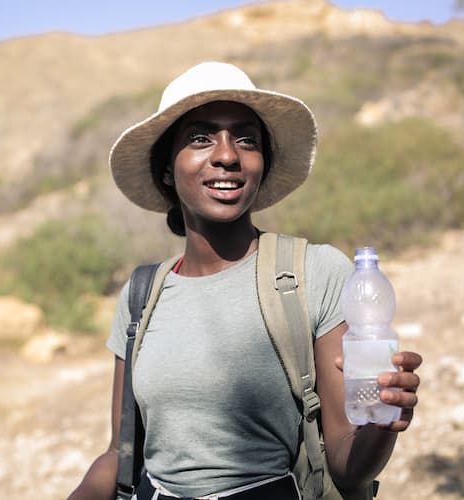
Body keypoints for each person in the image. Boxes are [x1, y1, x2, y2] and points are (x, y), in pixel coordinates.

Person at [69, 61, 422, 500]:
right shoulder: (142, 295)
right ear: (166, 169)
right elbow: (118, 455)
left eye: (245, 139)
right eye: (200, 138)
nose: (227, 155)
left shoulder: (315, 273)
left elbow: (347, 468)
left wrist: (383, 421)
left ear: (261, 165)